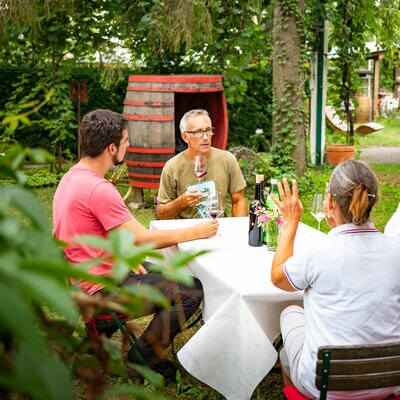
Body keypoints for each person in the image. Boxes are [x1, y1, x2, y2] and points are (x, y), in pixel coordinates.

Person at [53, 109, 218, 381]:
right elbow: (142, 238)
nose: (129, 146)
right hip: (101, 292)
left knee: (172, 274)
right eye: (126, 140)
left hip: (81, 281)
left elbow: (90, 235)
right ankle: (138, 362)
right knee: (190, 290)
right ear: (111, 148)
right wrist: (196, 231)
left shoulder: (72, 177)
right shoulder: (99, 189)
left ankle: (104, 342)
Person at [270, 160, 400, 399]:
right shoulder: (396, 249)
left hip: (325, 388)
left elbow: (279, 278)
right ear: (374, 200)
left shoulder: (319, 252)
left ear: (329, 202)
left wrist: (290, 223)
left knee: (290, 314)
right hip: (389, 383)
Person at [157, 109, 247, 219]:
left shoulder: (227, 159)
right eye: (198, 132)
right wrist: (182, 201)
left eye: (208, 130)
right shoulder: (172, 167)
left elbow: (238, 201)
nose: (205, 137)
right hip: (186, 232)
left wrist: (240, 231)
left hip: (218, 228)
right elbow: (161, 214)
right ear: (185, 137)